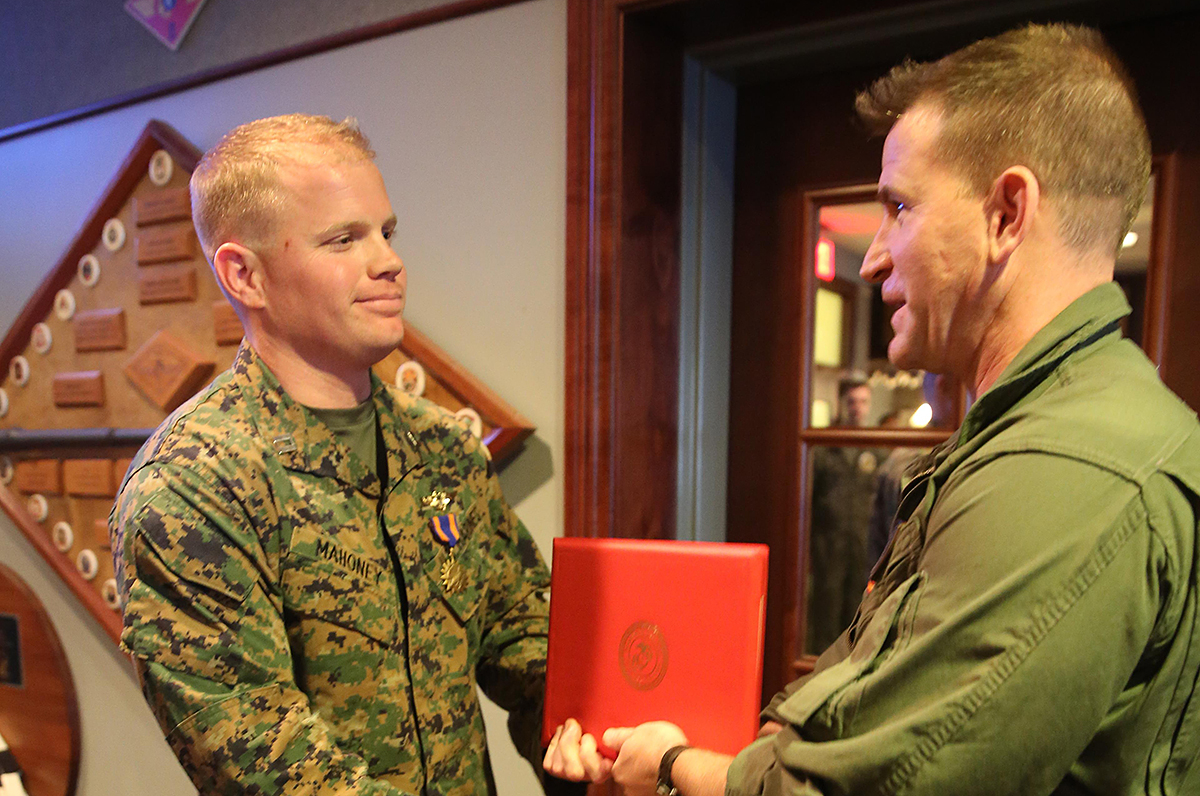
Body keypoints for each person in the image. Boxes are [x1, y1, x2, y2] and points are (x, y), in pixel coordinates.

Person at [545, 23, 1200, 795]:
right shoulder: (1046, 431)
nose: (878, 253)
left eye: (899, 207)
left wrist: (674, 769)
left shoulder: (1067, 466)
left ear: (1006, 214)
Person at [110, 114, 567, 796]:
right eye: (343, 239)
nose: (387, 261)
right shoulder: (194, 485)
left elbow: (523, 639)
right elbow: (265, 759)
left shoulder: (443, 449)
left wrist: (601, 746)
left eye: (387, 231)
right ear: (246, 275)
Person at [806, 377, 885, 652]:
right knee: (825, 614)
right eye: (852, 401)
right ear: (842, 403)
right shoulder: (825, 446)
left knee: (857, 611)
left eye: (863, 402)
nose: (857, 408)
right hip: (828, 545)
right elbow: (810, 501)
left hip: (863, 547)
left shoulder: (877, 447)